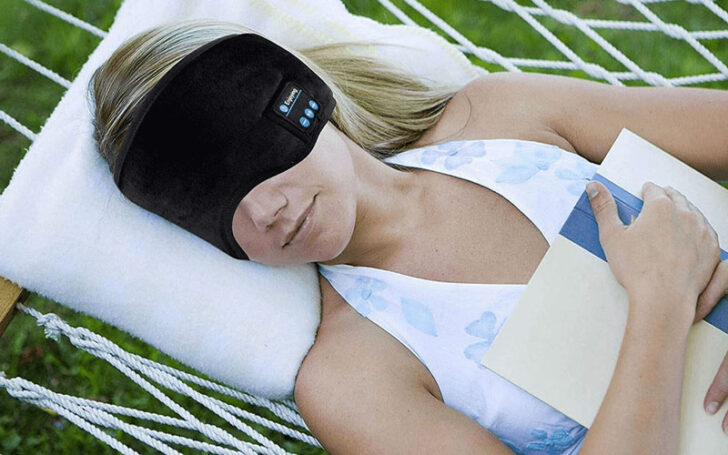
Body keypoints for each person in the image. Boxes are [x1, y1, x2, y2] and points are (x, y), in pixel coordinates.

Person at [89, 18, 728, 454]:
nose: (263, 212)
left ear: (299, 99)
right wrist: (661, 306)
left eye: (247, 158)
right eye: (209, 202)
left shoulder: (502, 116)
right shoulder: (352, 379)